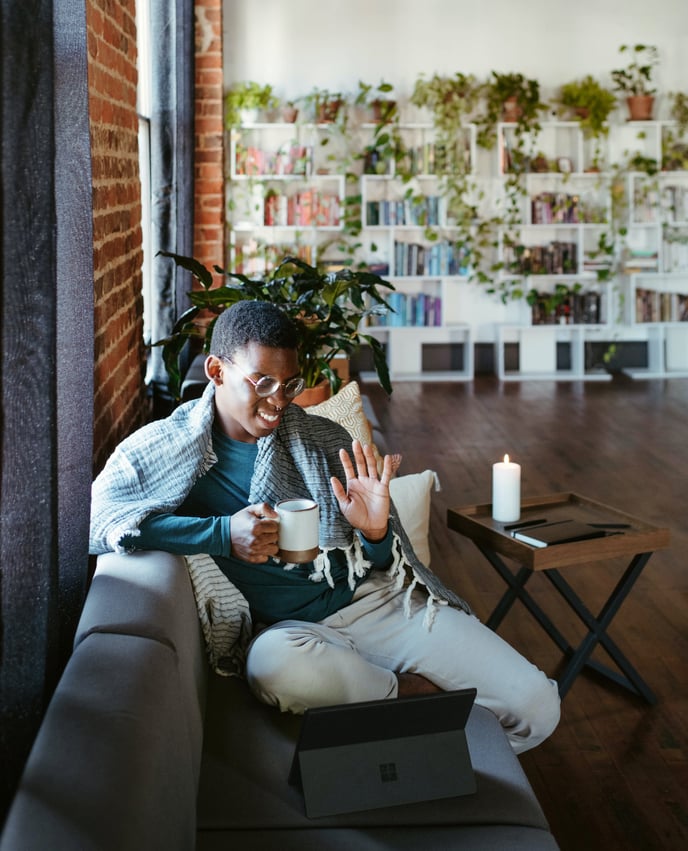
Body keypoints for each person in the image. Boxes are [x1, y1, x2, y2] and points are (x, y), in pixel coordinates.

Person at [90, 301, 560, 754]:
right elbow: (101, 519)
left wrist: (375, 533)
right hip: (290, 632)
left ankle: (432, 748)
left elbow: (382, 563)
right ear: (217, 372)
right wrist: (221, 535)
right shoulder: (168, 449)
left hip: (375, 603)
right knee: (273, 670)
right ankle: (407, 696)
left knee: (538, 707)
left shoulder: (323, 441)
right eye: (263, 381)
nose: (278, 401)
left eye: (289, 384)